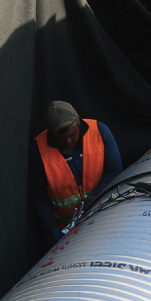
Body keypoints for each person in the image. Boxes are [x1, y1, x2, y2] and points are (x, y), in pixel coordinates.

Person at [29, 101, 122, 243]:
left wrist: (95, 196)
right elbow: (39, 194)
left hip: (104, 217)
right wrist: (53, 230)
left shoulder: (99, 131)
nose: (68, 141)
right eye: (61, 138)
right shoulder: (38, 150)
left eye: (72, 134)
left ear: (79, 123)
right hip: (67, 231)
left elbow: (115, 170)